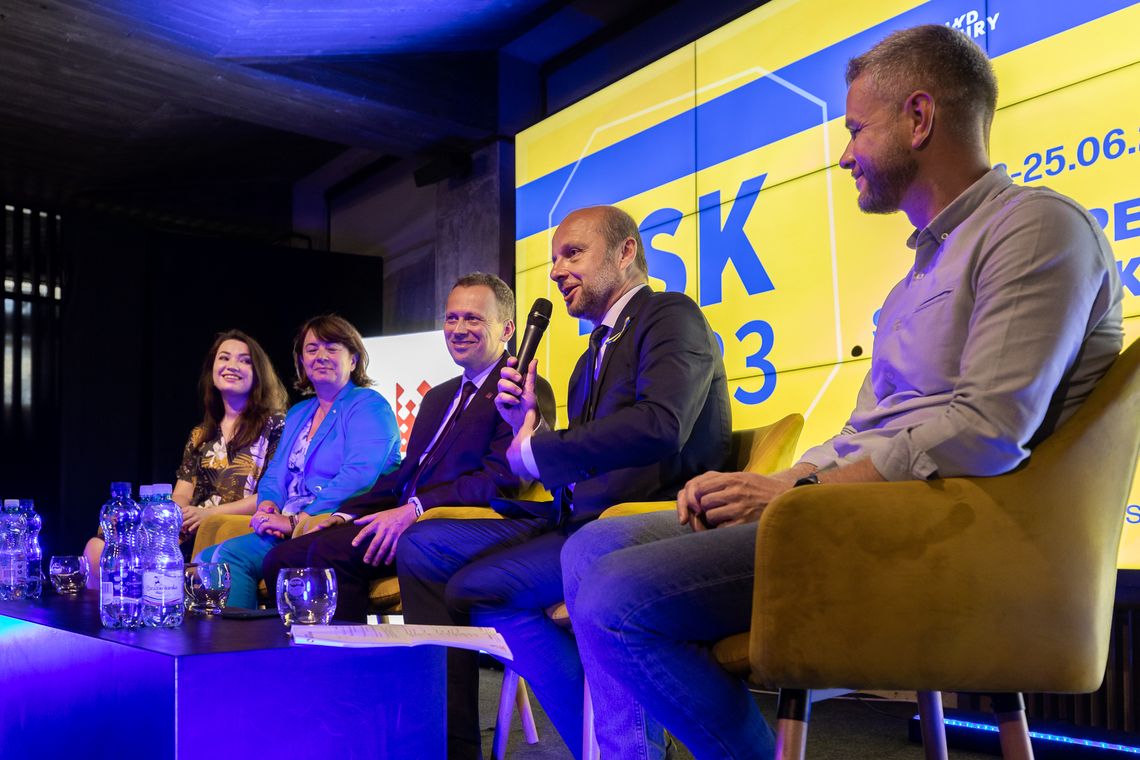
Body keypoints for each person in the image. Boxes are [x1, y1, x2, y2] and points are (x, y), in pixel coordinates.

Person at [561, 24, 1125, 759]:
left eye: (857, 128)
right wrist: (771, 483)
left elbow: (988, 426)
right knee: (591, 546)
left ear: (919, 118)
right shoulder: (913, 279)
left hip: (939, 534)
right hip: (860, 510)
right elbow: (868, 430)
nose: (844, 152)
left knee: (615, 598)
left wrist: (801, 488)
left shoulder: (1037, 226)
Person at [396, 205, 731, 759]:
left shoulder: (670, 315)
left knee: (481, 585)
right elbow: (586, 460)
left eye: (572, 254)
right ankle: (488, 741)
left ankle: (618, 745)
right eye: (554, 259)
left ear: (626, 253)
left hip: (647, 520)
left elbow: (662, 425)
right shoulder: (586, 360)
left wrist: (539, 450)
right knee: (430, 550)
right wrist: (528, 430)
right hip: (575, 517)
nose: (555, 271)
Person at [262, 272, 555, 622]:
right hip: (402, 518)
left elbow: (502, 479)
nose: (459, 329)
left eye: (473, 318)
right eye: (452, 318)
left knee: (328, 553)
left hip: (450, 525)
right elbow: (407, 473)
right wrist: (345, 513)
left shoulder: (519, 391)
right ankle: (300, 666)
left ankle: (349, 669)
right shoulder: (438, 397)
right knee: (282, 558)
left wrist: (417, 508)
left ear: (507, 330)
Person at [198, 314, 401, 609]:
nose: (321, 356)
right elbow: (275, 473)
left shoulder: (368, 405)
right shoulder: (299, 413)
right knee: (204, 558)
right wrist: (268, 504)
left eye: (332, 348)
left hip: (330, 523)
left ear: (354, 359)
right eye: (312, 349)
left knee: (231, 558)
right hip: (287, 524)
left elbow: (359, 476)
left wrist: (295, 520)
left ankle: (240, 650)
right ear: (301, 362)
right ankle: (219, 646)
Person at [83, 330, 287, 585]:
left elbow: (273, 493)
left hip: (233, 526)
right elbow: (182, 492)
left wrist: (208, 514)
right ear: (212, 369)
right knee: (99, 545)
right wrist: (174, 514)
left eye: (244, 360)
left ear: (258, 373)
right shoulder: (200, 434)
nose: (232, 366)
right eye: (224, 358)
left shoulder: (277, 426)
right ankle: (113, 617)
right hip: (191, 525)